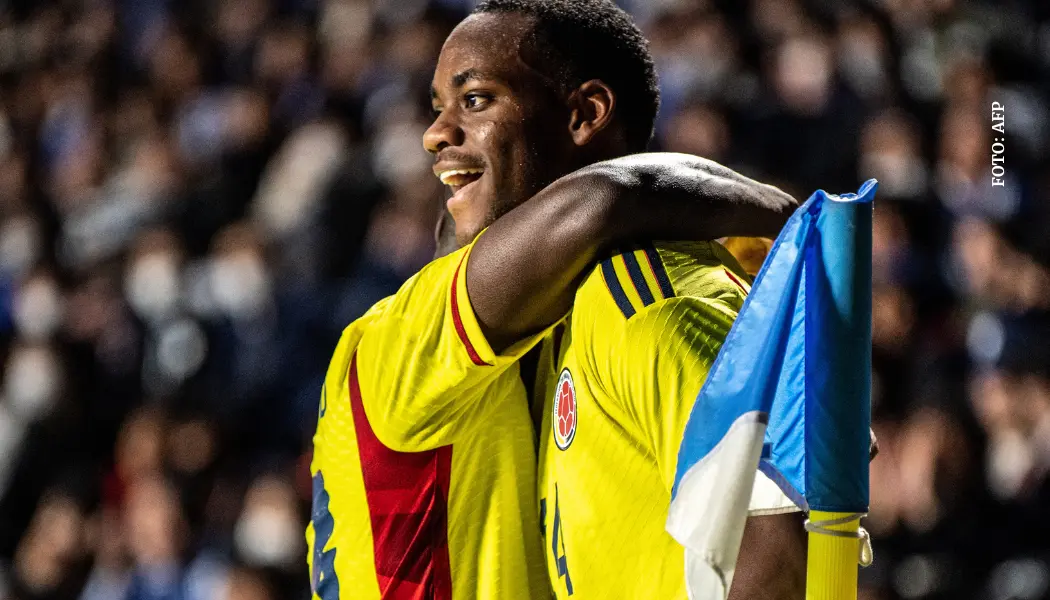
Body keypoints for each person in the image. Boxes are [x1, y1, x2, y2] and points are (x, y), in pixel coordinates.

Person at [307, 2, 800, 600]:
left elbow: (780, 546)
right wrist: (789, 216)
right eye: (439, 108)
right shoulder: (390, 349)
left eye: (475, 99)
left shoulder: (630, 307)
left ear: (585, 113)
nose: (434, 133)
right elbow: (601, 201)